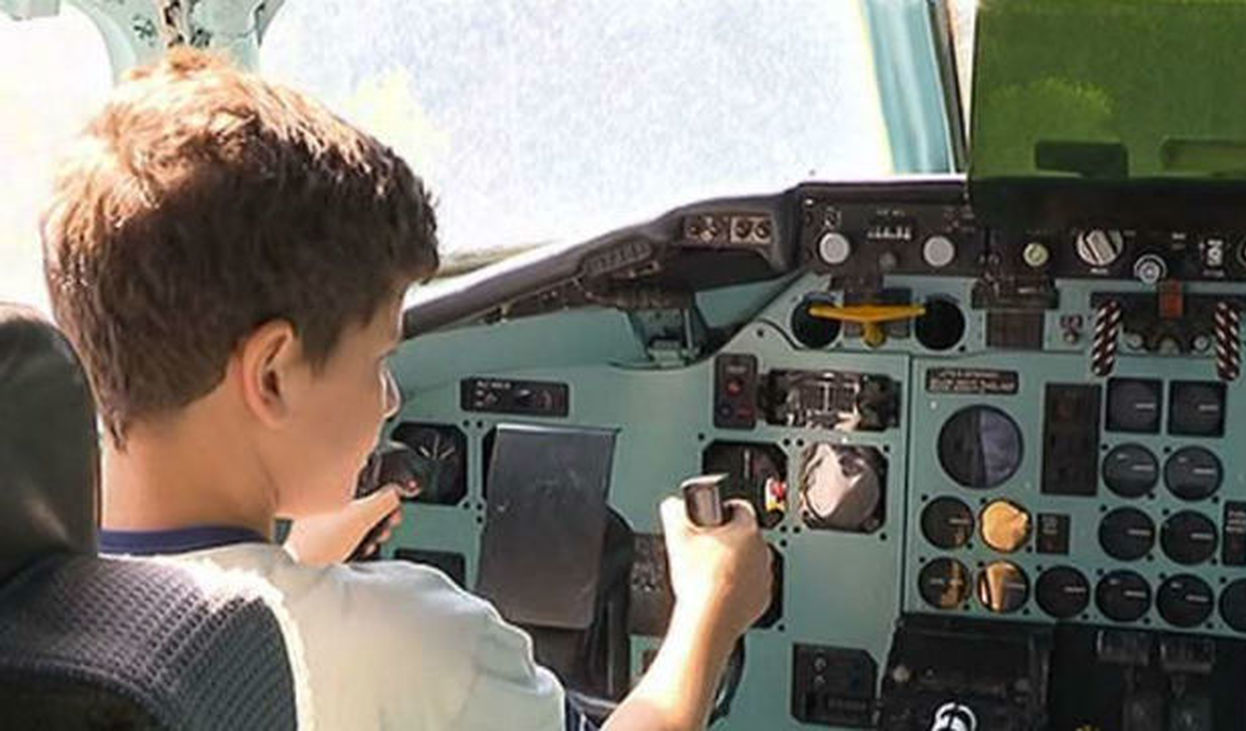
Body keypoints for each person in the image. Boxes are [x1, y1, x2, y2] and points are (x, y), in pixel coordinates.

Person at [41, 48, 772, 730]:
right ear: (271, 376)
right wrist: (712, 606)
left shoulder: (37, 600)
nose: (391, 399)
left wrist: (298, 566)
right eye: (378, 361)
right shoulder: (417, 637)